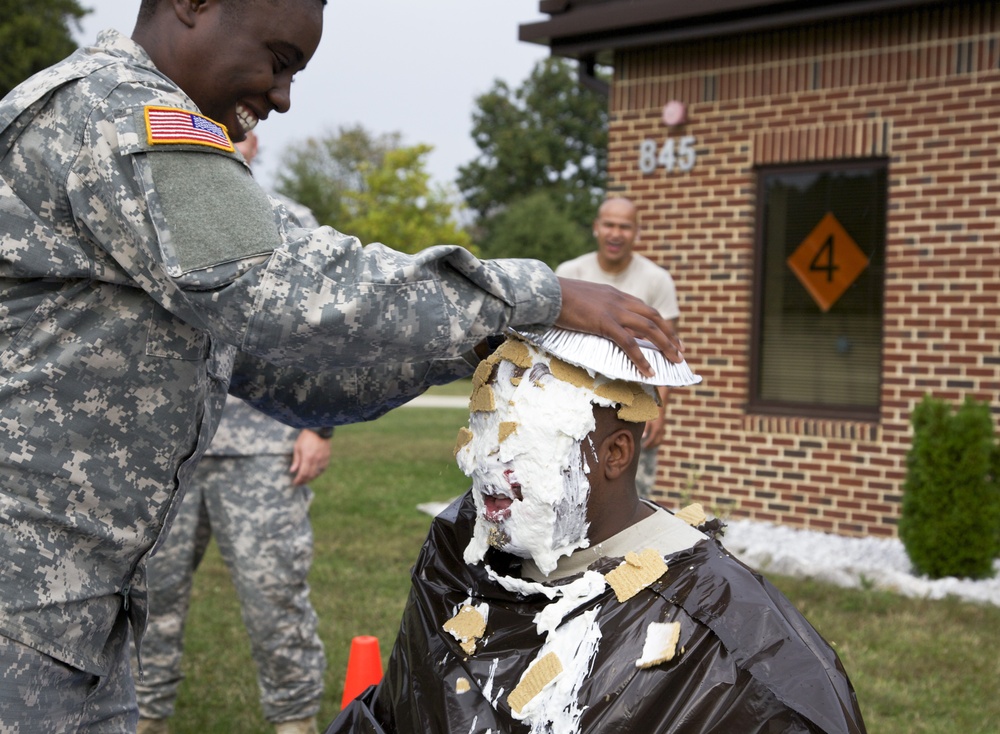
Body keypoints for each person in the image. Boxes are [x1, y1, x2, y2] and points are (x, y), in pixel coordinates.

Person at [0, 0, 684, 730]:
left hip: (74, 615)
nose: (284, 95)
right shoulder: (114, 111)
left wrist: (483, 345)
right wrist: (532, 296)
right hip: (25, 610)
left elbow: (297, 374)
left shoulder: (157, 149)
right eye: (279, 57)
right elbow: (292, 289)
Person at [326, 332, 867, 733]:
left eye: (524, 444)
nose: (491, 467)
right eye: (486, 429)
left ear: (614, 454)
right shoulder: (460, 547)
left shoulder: (731, 641)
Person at [134, 132, 332, 734]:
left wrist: (317, 426)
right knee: (149, 602)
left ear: (255, 145)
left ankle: (295, 721)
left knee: (274, 597)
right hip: (169, 448)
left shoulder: (287, 220)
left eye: (242, 134)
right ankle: (142, 718)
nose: (232, 141)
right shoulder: (157, 211)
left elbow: (318, 331)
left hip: (264, 446)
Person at [556, 197, 680, 497]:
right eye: (609, 224)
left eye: (625, 226)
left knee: (630, 498)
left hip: (634, 406)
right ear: (597, 227)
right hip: (575, 403)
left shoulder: (656, 280)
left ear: (637, 232)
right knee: (568, 493)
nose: (616, 233)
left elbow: (669, 353)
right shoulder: (569, 274)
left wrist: (659, 411)